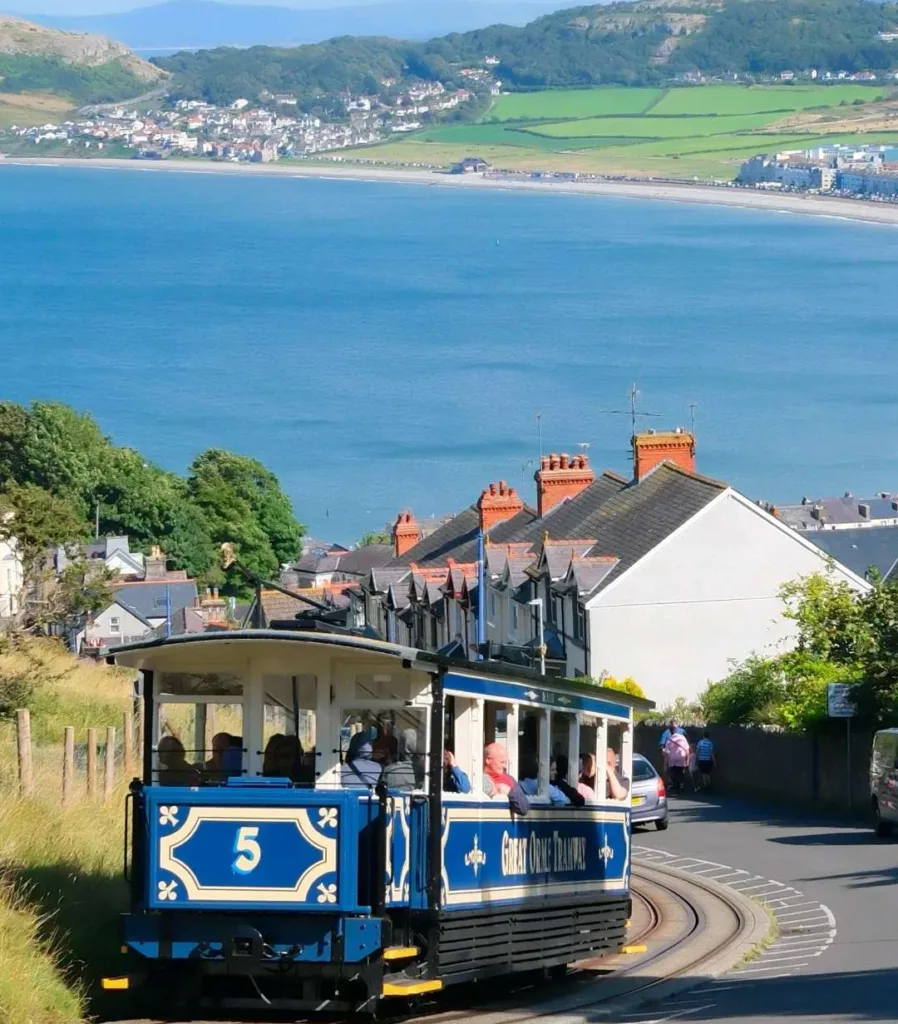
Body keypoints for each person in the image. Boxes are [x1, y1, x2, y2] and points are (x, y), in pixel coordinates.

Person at [483, 742, 529, 815]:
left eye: (505, 763)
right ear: (488, 760)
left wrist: (509, 792)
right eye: (502, 762)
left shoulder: (509, 780)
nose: (505, 766)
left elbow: (524, 809)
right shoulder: (478, 779)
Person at [664, 729, 690, 794]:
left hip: (672, 759)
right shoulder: (683, 738)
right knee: (681, 773)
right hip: (681, 758)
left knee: (674, 774)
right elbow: (687, 749)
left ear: (670, 732)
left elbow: (667, 752)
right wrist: (687, 759)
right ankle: (681, 787)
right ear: (677, 731)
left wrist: (665, 763)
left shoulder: (669, 739)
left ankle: (676, 788)